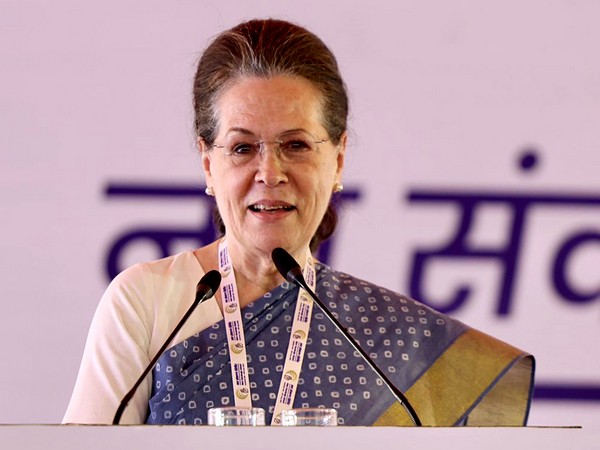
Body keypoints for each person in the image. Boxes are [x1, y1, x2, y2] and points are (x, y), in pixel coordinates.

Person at [63, 18, 534, 426]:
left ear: (339, 159)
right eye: (243, 148)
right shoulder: (147, 303)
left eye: (296, 145)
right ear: (209, 164)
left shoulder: (386, 341)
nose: (270, 173)